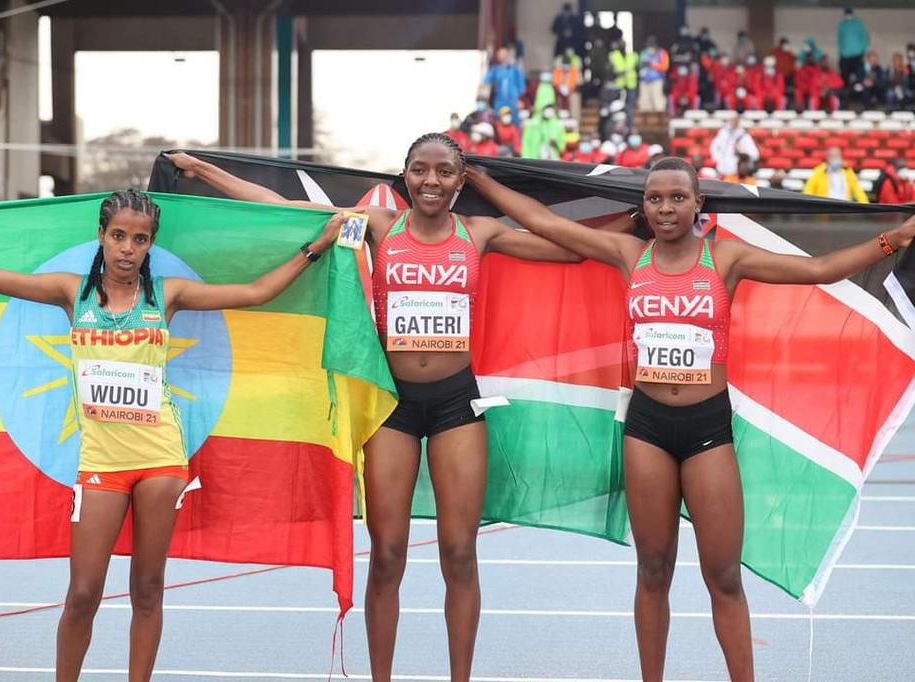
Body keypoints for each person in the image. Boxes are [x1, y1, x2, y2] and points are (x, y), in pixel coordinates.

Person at [165, 140, 629, 682]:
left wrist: (638, 218)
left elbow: (568, 244)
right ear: (404, 176)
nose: (431, 180)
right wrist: (201, 170)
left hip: (458, 402)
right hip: (394, 407)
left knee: (459, 553)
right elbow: (280, 207)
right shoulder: (379, 226)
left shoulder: (479, 233)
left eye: (446, 172)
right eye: (420, 169)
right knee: (386, 554)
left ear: (460, 180)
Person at [464, 157, 915, 682]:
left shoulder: (724, 258)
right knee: (652, 572)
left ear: (698, 203)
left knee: (722, 576)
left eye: (677, 197)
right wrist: (480, 180)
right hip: (648, 429)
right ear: (644, 206)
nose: (665, 207)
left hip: (706, 429)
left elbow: (817, 271)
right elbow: (545, 224)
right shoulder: (629, 253)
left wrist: (895, 239)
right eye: (655, 198)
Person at [0, 190, 344, 682]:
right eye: (119, 236)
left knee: (147, 588)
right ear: (101, 237)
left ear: (151, 245)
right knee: (83, 593)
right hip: (102, 463)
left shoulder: (167, 295)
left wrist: (316, 246)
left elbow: (256, 293)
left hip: (161, 461)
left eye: (140, 239)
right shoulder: (72, 292)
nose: (128, 248)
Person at [803, 147, 869, 203]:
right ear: (827, 157)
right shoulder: (819, 172)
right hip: (825, 207)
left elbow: (858, 190)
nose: (835, 158)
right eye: (832, 156)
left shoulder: (848, 171)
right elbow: (808, 191)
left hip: (844, 207)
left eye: (837, 156)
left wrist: (866, 206)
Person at [483, 46, 526, 115]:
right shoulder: (495, 70)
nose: (502, 56)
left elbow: (521, 86)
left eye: (504, 54)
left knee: (512, 121)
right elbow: (486, 81)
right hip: (499, 100)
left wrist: (520, 99)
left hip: (513, 101)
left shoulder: (515, 69)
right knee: (499, 120)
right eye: (500, 55)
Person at [609, 37, 639, 127]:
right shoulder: (613, 55)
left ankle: (630, 126)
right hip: (619, 84)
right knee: (617, 107)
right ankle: (616, 126)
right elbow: (610, 70)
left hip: (631, 84)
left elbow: (637, 69)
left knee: (629, 108)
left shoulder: (633, 55)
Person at [837, 5, 869, 89]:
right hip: (845, 56)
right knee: (844, 76)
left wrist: (862, 49)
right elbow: (840, 39)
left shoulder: (858, 23)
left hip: (857, 55)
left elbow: (864, 37)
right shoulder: (842, 25)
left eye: (849, 13)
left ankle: (858, 93)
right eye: (847, 13)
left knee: (859, 76)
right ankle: (845, 94)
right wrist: (842, 51)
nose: (848, 15)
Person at [638, 36, 669, 114]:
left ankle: (659, 120)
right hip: (644, 81)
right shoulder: (643, 53)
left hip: (657, 80)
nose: (650, 48)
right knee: (645, 102)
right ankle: (646, 122)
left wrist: (652, 64)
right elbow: (640, 65)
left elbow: (665, 67)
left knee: (658, 101)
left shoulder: (662, 53)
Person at [553, 49, 582, 120]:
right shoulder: (557, 71)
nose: (566, 68)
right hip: (559, 93)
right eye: (564, 65)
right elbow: (554, 82)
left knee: (574, 98)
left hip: (572, 92)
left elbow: (579, 83)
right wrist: (560, 88)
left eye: (567, 65)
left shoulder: (575, 71)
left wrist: (569, 88)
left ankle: (574, 119)